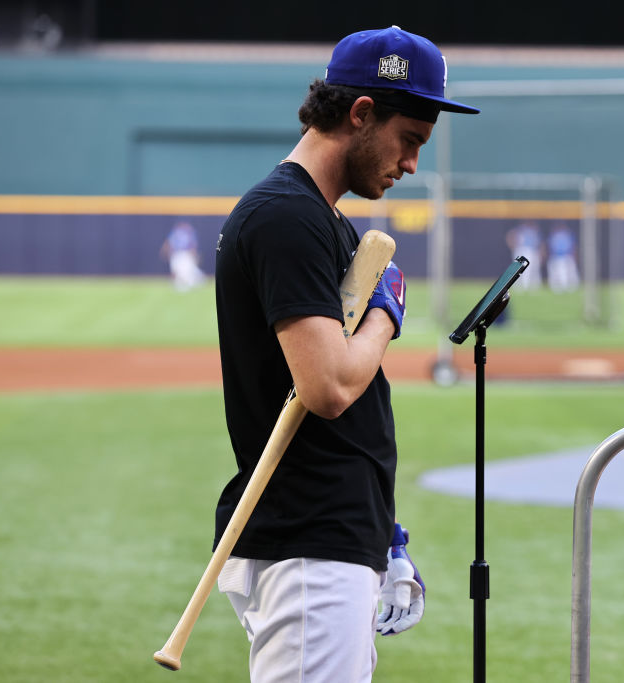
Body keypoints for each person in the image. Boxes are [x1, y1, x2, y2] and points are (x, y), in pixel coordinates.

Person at [210, 26, 479, 683]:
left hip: (331, 534)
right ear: (361, 113)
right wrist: (388, 312)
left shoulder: (320, 218)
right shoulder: (285, 216)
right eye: (409, 139)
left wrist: (377, 522)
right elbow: (327, 384)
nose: (412, 163)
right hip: (309, 547)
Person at [160, 219, 206, 291]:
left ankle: (186, 281)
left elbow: (167, 245)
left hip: (182, 255)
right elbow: (193, 247)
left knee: (189, 277)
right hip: (181, 255)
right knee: (183, 276)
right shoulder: (187, 232)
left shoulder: (181, 231)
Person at [506, 220, 542, 289]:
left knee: (532, 269)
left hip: (531, 250)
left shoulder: (534, 231)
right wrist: (512, 246)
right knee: (519, 269)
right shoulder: (520, 229)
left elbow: (539, 243)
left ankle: (530, 286)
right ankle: (521, 286)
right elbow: (510, 235)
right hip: (522, 250)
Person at [546, 223, 580, 292]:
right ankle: (557, 289)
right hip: (556, 257)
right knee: (557, 273)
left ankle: (570, 288)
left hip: (567, 256)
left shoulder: (568, 234)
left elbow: (573, 246)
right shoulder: (553, 235)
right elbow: (549, 246)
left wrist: (575, 255)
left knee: (570, 273)